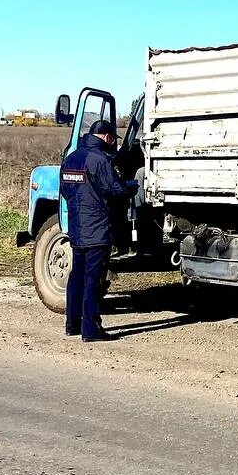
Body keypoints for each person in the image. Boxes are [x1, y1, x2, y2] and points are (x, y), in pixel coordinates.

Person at [59, 119, 138, 342]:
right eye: (113, 139)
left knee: (76, 276)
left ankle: (72, 324)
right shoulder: (100, 160)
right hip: (97, 229)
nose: (113, 143)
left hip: (77, 226)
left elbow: (65, 191)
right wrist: (130, 188)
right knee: (93, 279)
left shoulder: (71, 158)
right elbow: (114, 190)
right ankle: (91, 329)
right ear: (105, 136)